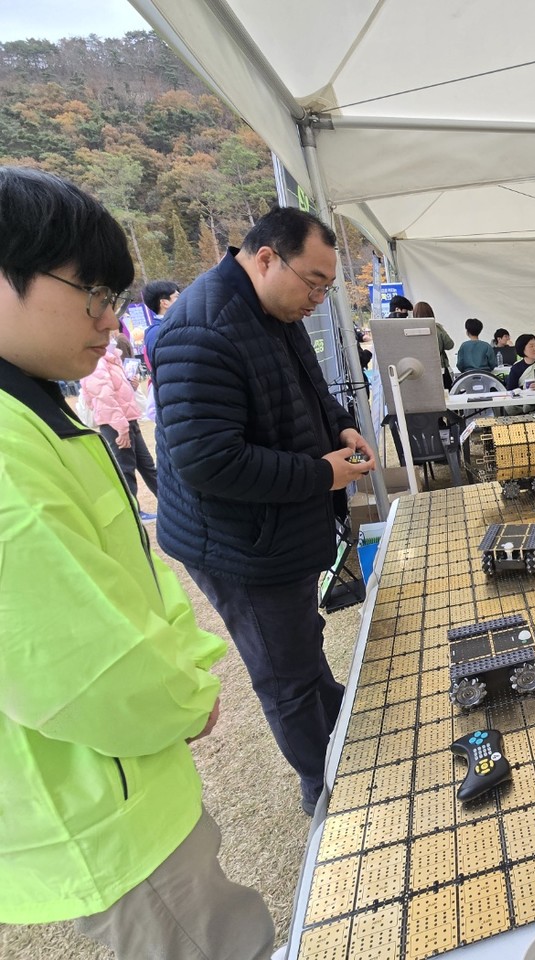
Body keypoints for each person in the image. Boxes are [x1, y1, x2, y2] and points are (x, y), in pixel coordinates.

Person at [0, 166, 275, 959]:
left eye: (113, 300)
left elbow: (133, 577)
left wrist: (187, 670)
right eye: (88, 292)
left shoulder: (39, 406)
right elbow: (73, 663)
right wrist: (186, 697)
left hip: (120, 782)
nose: (106, 319)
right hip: (96, 804)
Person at [150, 205, 377, 818]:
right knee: (285, 675)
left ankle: (340, 743)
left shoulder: (274, 308)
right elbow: (210, 462)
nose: (318, 298)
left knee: (302, 646)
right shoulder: (200, 329)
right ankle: (325, 788)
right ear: (267, 257)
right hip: (240, 544)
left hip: (281, 527)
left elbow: (307, 389)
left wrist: (342, 426)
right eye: (314, 283)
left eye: (327, 288)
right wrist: (321, 473)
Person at [79, 335, 160, 519]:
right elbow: (103, 398)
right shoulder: (98, 364)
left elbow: (116, 392)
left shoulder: (112, 360)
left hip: (128, 420)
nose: (112, 338)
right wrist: (121, 427)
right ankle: (134, 513)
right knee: (126, 469)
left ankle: (169, 504)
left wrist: (131, 385)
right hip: (116, 423)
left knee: (147, 465)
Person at [140, 279, 179, 374]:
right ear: (164, 303)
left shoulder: (168, 327)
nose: (183, 300)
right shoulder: (157, 332)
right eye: (177, 297)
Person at [411, 300, 453, 388]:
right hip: (439, 367)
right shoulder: (437, 328)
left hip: (420, 369)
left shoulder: (411, 331)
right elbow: (450, 345)